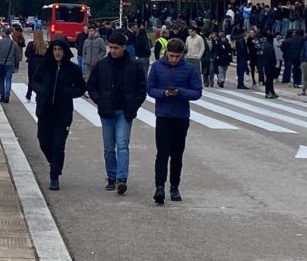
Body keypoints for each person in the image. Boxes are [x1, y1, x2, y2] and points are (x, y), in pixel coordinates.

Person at [86, 32, 147, 194]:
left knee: (122, 145)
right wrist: (99, 100)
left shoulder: (134, 66)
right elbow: (91, 85)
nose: (112, 51)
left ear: (123, 48)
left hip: (125, 111)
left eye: (116, 48)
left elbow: (142, 88)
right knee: (108, 147)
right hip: (107, 111)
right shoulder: (102, 65)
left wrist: (135, 104)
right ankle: (111, 176)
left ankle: (121, 179)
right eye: (111, 47)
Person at [148, 39, 203, 205]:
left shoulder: (189, 69)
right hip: (163, 115)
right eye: (171, 56)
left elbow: (197, 92)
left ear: (182, 55)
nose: (174, 59)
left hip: (181, 116)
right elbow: (150, 89)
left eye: (177, 56)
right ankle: (159, 187)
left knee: (177, 154)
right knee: (162, 153)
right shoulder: (157, 66)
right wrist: (163, 93)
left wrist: (180, 92)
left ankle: (174, 186)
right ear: (167, 53)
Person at [31, 39, 86, 190]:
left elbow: (81, 87)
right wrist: (42, 90)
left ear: (65, 51)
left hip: (63, 113)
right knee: (44, 142)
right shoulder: (44, 66)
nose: (57, 52)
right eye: (54, 49)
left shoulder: (73, 69)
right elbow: (34, 82)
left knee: (58, 145)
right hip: (45, 111)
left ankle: (54, 175)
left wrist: (68, 92)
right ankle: (54, 162)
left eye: (60, 49)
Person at [0, 28, 19, 104]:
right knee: (8, 80)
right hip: (10, 64)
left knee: (1, 80)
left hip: (0, 63)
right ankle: (7, 96)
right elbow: (16, 56)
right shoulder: (14, 44)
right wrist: (16, 66)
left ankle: (2, 96)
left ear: (4, 33)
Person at [24, 29, 48, 101]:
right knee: (39, 81)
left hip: (32, 65)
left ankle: (29, 94)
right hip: (41, 66)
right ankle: (38, 95)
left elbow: (26, 54)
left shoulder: (31, 44)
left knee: (31, 80)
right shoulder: (44, 45)